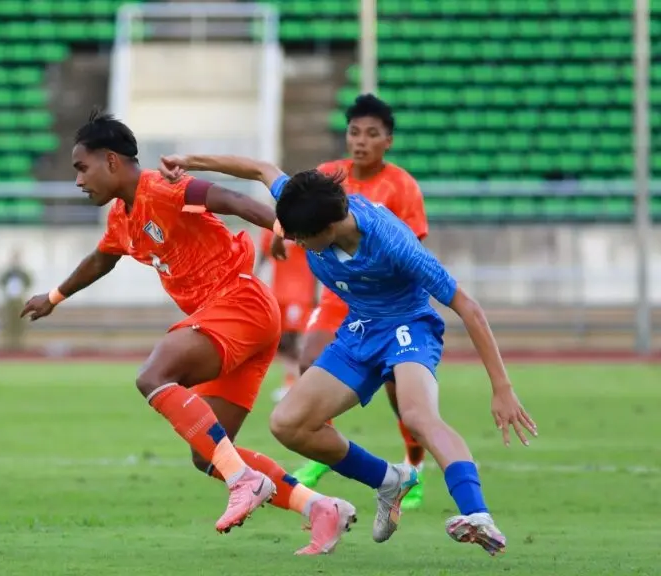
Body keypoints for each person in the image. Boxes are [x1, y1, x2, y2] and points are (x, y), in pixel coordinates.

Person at [158, 153, 537, 556]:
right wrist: (188, 161)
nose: (296, 243)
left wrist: (502, 388)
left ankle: (478, 515)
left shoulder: (392, 243)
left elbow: (468, 306)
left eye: (302, 238)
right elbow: (261, 169)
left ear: (329, 228)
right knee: (289, 423)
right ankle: (389, 480)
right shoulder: (308, 201)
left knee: (417, 415)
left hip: (408, 325)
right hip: (360, 328)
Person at [22, 111, 356, 555]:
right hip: (236, 322)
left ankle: (244, 481)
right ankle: (319, 508)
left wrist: (283, 228)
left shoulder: (164, 188)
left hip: (238, 303)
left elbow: (232, 200)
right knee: (210, 453)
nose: (79, 181)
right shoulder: (122, 219)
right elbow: (102, 259)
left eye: (82, 168)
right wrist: (56, 296)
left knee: (153, 375)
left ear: (112, 161)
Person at [285, 95, 431, 508]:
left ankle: (412, 468)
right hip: (338, 296)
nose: (361, 141)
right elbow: (292, 205)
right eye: (354, 132)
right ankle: (319, 456)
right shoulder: (330, 175)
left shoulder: (402, 186)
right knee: (308, 361)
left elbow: (411, 251)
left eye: (371, 134)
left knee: (399, 392)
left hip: (386, 303)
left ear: (388, 140)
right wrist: (281, 231)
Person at [256, 227, 317, 402]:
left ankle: (299, 384)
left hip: (300, 294)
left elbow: (315, 257)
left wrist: (315, 293)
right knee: (281, 342)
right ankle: (292, 382)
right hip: (278, 293)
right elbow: (263, 256)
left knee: (293, 339)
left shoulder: (303, 227)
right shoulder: (271, 228)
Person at [0, 250, 33, 352]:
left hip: (19, 299)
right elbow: (0, 282)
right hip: (9, 299)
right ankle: (8, 343)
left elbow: (29, 282)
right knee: (8, 322)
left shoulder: (22, 273)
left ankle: (19, 343)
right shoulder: (7, 273)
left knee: (20, 322)